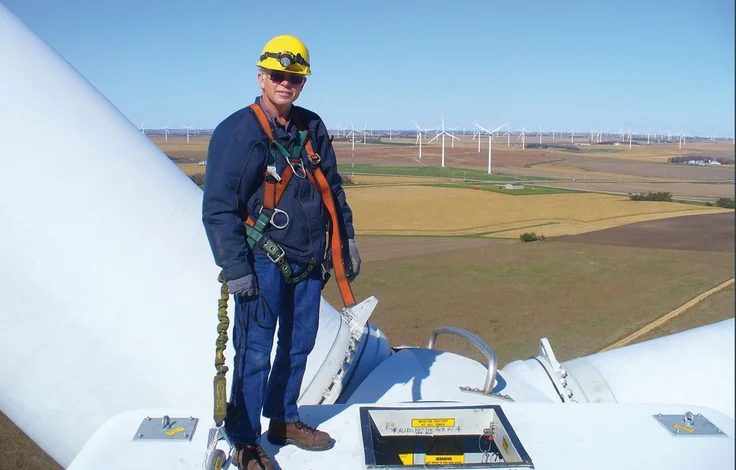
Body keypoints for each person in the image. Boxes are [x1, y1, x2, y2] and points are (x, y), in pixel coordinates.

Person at [202, 35, 361, 470]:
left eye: (294, 77)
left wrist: (344, 239)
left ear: (303, 83)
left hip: (308, 262)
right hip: (262, 262)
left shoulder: (311, 126)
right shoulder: (239, 132)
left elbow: (332, 188)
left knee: (298, 345)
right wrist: (236, 267)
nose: (285, 83)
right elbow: (218, 209)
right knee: (254, 351)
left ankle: (284, 420)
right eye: (278, 75)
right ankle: (246, 440)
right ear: (261, 76)